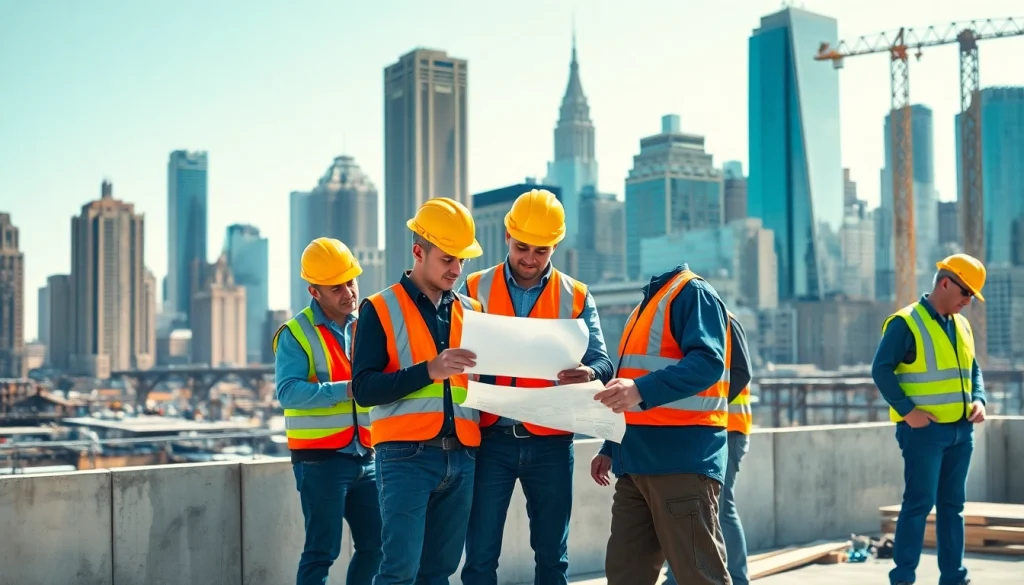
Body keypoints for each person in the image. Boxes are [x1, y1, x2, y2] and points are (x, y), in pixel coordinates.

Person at [459, 189, 614, 585]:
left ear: (555, 246)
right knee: (479, 557)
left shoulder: (576, 295)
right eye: (523, 246)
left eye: (541, 250)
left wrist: (589, 372)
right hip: (490, 439)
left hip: (550, 443)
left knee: (552, 559)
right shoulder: (475, 288)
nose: (530, 258)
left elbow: (603, 361)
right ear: (507, 237)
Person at [350, 197, 484, 585]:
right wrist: (430, 370)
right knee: (399, 571)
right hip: (405, 457)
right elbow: (364, 388)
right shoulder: (380, 308)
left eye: (462, 260)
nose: (457, 269)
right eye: (447, 259)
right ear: (418, 252)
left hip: (462, 456)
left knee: (439, 572)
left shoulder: (472, 309)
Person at [590, 263, 732, 585]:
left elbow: (708, 363)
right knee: (626, 575)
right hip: (634, 463)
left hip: (680, 464)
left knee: (700, 577)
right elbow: (629, 384)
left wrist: (639, 390)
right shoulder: (646, 305)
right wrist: (609, 446)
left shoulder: (692, 293)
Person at [871, 253, 988, 585]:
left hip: (961, 432)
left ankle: (954, 578)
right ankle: (903, 579)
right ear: (946, 282)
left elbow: (972, 369)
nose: (968, 301)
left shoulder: (962, 325)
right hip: (924, 434)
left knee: (953, 508)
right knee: (918, 505)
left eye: (972, 297)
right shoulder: (905, 323)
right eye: (966, 293)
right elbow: (880, 369)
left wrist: (978, 399)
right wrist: (909, 413)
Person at [272, 237, 382, 585]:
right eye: (336, 287)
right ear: (314, 291)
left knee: (377, 546)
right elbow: (288, 392)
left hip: (366, 455)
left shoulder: (366, 324)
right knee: (322, 551)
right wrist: (347, 389)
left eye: (351, 281)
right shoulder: (296, 333)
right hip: (320, 461)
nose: (348, 292)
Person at [663, 311, 753, 585]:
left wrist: (708, 405)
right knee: (683, 506)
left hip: (726, 429)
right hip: (698, 429)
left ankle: (737, 579)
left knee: (721, 507)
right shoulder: (685, 323)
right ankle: (677, 577)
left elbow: (741, 372)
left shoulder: (725, 319)